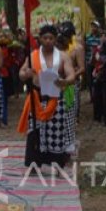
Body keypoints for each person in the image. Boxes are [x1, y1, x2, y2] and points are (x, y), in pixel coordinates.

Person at [18, 25, 76, 168]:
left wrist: (65, 81)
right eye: (45, 38)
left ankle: (56, 162)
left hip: (56, 100)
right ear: (40, 39)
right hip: (37, 98)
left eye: (51, 38)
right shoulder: (32, 56)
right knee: (34, 132)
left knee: (56, 133)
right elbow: (21, 73)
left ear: (56, 39)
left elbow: (71, 75)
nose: (48, 41)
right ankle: (33, 163)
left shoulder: (63, 56)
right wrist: (26, 74)